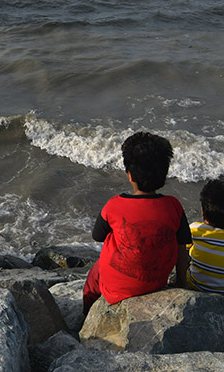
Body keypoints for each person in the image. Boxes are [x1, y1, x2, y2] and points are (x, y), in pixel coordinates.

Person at [82, 131, 192, 315]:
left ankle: (87, 315)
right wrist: (181, 282)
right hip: (156, 283)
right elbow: (182, 247)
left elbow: (97, 236)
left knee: (94, 275)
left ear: (130, 175)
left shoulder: (114, 205)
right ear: (164, 174)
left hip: (116, 291)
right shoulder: (174, 206)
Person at [186, 179, 224, 295]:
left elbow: (184, 246)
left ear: (203, 213)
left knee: (189, 248)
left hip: (195, 285)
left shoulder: (194, 229)